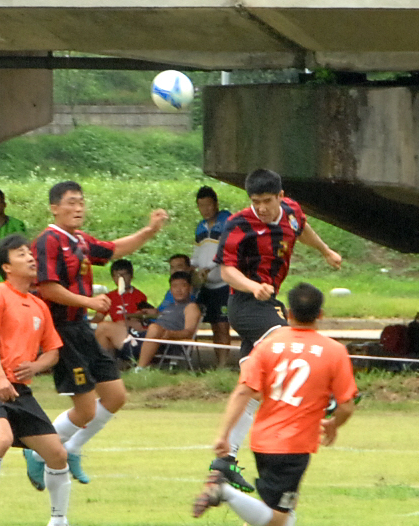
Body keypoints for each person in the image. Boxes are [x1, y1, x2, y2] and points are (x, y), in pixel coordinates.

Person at [191, 282, 358, 526]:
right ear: (320, 313)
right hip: (294, 444)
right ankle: (224, 492)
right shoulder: (333, 351)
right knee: (274, 521)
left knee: (284, 504)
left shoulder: (267, 345)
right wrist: (334, 424)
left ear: (289, 312)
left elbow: (244, 392)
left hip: (263, 439)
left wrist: (225, 435)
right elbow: (346, 405)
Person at [24, 181, 169, 487]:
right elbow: (48, 287)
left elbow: (115, 248)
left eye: (81, 202)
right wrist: (88, 301)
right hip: (61, 331)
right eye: (71, 202)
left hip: (81, 328)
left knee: (116, 396)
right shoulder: (48, 240)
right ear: (54, 207)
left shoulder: (79, 241)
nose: (78, 208)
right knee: (86, 408)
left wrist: (149, 231)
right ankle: (37, 453)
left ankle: (72, 449)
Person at [0, 232, 80, 526]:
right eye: (21, 254)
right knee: (1, 438)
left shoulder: (38, 305)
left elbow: (52, 351)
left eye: (30, 253)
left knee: (57, 454)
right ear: (6, 266)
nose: (30, 258)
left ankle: (58, 523)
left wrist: (37, 366)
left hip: (20, 390)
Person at [217, 168, 344, 454]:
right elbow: (226, 270)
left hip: (268, 301)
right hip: (246, 304)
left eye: (267, 201)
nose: (261, 208)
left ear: (281, 197)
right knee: (291, 341)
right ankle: (326, 399)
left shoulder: (291, 212)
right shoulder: (238, 224)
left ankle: (226, 461)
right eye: (255, 201)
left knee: (251, 389)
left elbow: (302, 229)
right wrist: (251, 286)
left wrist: (326, 251)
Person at [193, 185, 233, 359]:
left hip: (224, 283)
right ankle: (218, 362)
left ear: (216, 204)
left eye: (208, 205)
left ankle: (224, 363)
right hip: (206, 284)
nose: (205, 210)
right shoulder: (200, 227)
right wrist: (190, 266)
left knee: (223, 324)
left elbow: (228, 250)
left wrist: (209, 267)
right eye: (201, 206)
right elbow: (197, 253)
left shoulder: (228, 221)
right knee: (214, 325)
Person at [138, 270, 201, 369]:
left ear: (190, 288)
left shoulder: (191, 307)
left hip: (166, 342)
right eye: (174, 286)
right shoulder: (169, 306)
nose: (178, 290)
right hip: (148, 336)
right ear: (170, 290)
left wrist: (169, 334)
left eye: (183, 286)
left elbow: (189, 332)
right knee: (109, 326)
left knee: (154, 328)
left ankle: (140, 368)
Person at [93, 258, 153, 359]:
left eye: (124, 275)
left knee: (104, 328)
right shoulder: (109, 297)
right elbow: (98, 317)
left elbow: (139, 318)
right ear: (113, 278)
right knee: (101, 329)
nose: (121, 279)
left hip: (132, 331)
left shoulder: (139, 296)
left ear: (131, 276)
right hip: (115, 330)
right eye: (117, 276)